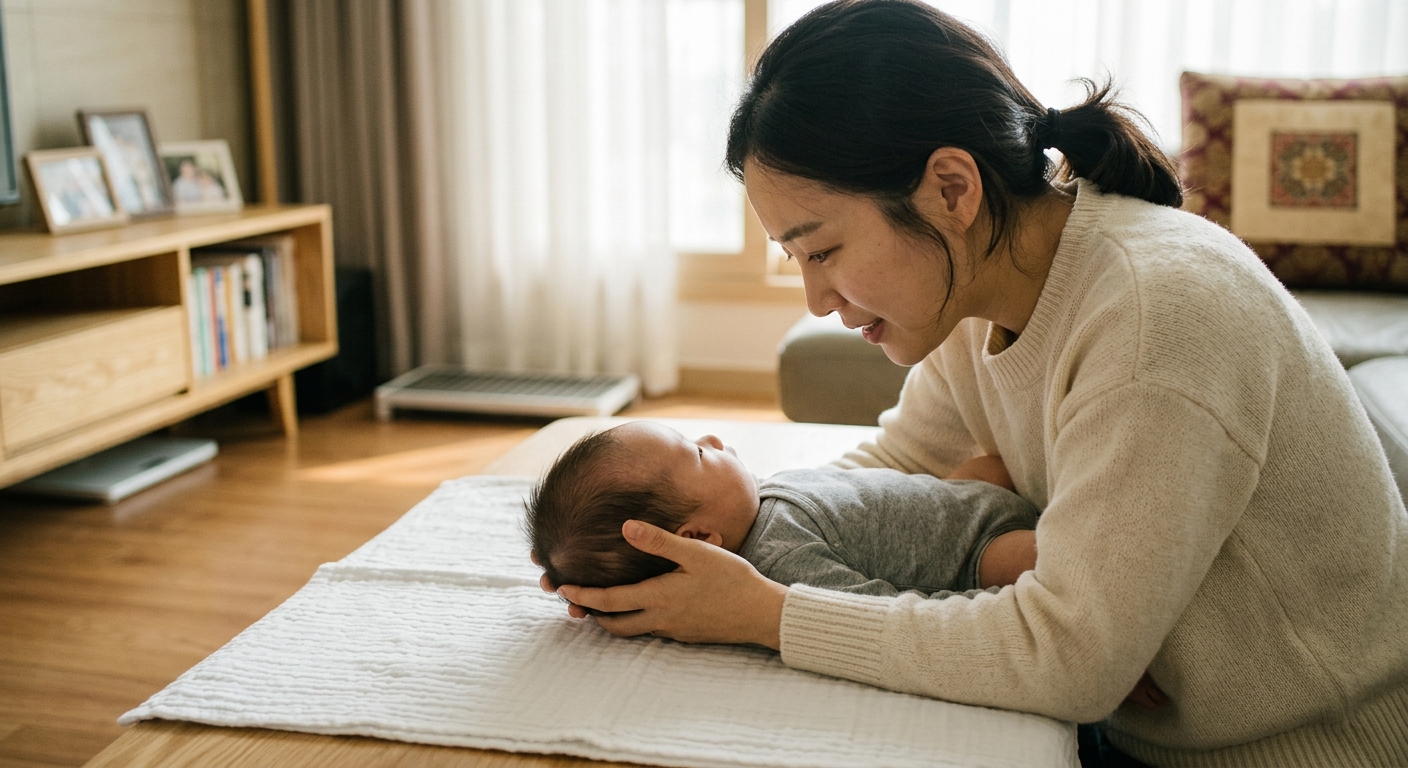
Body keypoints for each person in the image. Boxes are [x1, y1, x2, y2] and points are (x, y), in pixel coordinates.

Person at [546, 1, 1408, 765]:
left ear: (950, 188)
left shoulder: (1156, 320)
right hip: (1129, 732)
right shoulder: (983, 292)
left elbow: (1066, 660)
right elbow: (900, 469)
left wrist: (762, 613)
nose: (815, 297)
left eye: (823, 250)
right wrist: (682, 554)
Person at [526, 421, 1039, 597]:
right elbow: (862, 605)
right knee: (1049, 563)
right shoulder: (778, 562)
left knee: (990, 465)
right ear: (701, 539)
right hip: (976, 553)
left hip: (954, 500)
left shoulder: (748, 504)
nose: (713, 438)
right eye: (699, 453)